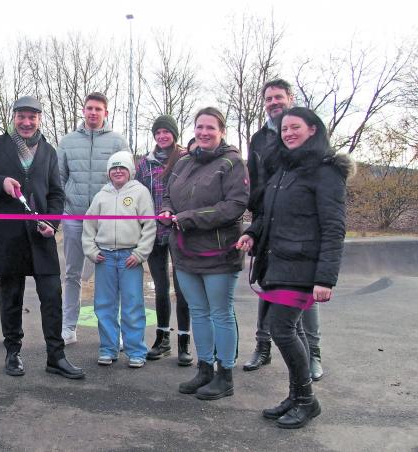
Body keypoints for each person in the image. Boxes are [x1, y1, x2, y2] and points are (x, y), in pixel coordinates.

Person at [237, 107, 352, 428]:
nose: (288, 132)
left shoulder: (326, 171)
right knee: (289, 330)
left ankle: (306, 400)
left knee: (281, 329)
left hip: (302, 268)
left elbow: (334, 227)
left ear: (313, 129)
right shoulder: (284, 170)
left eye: (295, 127)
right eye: (284, 128)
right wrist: (251, 233)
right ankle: (296, 395)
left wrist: (326, 278)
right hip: (276, 263)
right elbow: (268, 216)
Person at [0, 95, 84, 380]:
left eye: (32, 117)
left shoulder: (48, 151)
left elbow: (56, 193)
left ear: (40, 119)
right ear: (13, 117)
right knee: (11, 298)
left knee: (52, 297)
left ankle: (56, 356)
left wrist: (52, 223)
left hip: (41, 238)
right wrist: (0, 183)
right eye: (21, 117)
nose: (27, 122)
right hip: (8, 237)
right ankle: (12, 353)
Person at [161, 107, 249, 400]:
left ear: (222, 130)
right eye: (200, 127)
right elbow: (168, 192)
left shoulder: (233, 162)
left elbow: (234, 206)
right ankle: (205, 368)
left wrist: (190, 217)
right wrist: (168, 210)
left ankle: (225, 375)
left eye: (210, 127)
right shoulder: (184, 161)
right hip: (185, 252)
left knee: (220, 313)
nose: (204, 132)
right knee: (198, 312)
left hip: (219, 253)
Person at [243, 79, 323, 380]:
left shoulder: (304, 132)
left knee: (300, 293)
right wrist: (255, 219)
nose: (273, 102)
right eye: (268, 98)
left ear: (290, 98)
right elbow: (254, 176)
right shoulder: (259, 137)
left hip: (297, 224)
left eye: (279, 97)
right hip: (267, 215)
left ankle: (313, 353)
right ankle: (262, 347)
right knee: (267, 285)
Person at [58, 92, 130, 345]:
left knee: (110, 276)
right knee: (72, 274)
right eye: (89, 108)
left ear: (106, 113)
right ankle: (68, 327)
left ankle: (113, 333)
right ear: (83, 110)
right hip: (74, 217)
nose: (93, 112)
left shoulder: (118, 141)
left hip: (107, 221)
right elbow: (59, 178)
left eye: (98, 109)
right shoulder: (67, 142)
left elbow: (126, 181)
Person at [82, 151, 156, 368]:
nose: (117, 171)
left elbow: (149, 226)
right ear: (108, 172)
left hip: (129, 257)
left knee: (133, 304)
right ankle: (108, 348)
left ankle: (136, 351)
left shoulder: (140, 193)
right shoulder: (101, 196)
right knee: (104, 305)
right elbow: (88, 227)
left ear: (130, 171)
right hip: (105, 257)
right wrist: (92, 251)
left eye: (122, 167)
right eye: (113, 168)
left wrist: (139, 253)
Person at [136, 114, 193, 366]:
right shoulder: (144, 164)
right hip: (153, 232)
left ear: (174, 134)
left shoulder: (185, 159)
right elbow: (137, 193)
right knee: (161, 288)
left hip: (179, 232)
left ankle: (183, 342)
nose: (162, 136)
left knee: (182, 290)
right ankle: (162, 339)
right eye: (158, 132)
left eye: (166, 132)